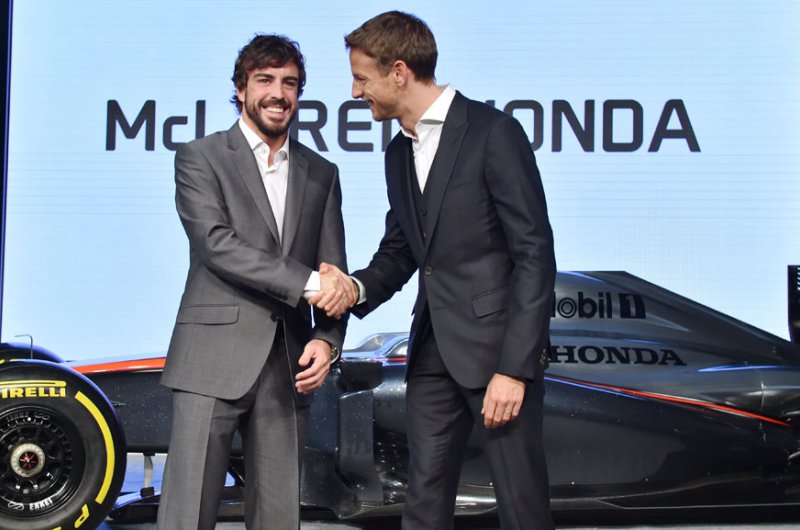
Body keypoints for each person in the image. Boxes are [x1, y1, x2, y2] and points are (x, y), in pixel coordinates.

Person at [315, 11, 557, 530]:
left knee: (522, 508)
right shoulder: (397, 152)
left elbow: (534, 253)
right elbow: (402, 250)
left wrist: (515, 369)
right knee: (423, 503)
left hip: (497, 356)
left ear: (399, 72)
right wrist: (354, 287)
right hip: (430, 355)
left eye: (362, 78)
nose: (355, 92)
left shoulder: (494, 133)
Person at [157, 34, 353, 530]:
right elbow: (216, 244)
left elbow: (333, 269)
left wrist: (327, 339)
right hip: (210, 359)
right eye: (265, 80)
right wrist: (307, 284)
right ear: (241, 89)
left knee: (278, 518)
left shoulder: (322, 173)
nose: (278, 93)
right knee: (187, 515)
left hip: (289, 366)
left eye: (290, 83)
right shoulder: (200, 156)